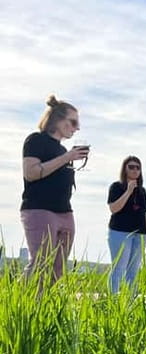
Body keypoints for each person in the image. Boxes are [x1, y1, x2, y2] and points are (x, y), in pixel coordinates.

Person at [20, 95, 89, 283]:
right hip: (39, 208)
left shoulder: (62, 150)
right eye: (73, 122)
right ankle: (19, 303)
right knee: (40, 263)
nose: (77, 128)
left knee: (58, 268)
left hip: (65, 211)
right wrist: (67, 158)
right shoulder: (36, 140)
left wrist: (69, 158)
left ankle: (46, 308)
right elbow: (31, 173)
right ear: (58, 120)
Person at [107, 155, 146, 293]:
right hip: (120, 232)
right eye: (131, 167)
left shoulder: (142, 191)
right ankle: (113, 301)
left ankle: (129, 302)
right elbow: (114, 208)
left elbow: (144, 213)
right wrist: (128, 191)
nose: (135, 170)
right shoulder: (116, 187)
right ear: (125, 169)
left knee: (133, 270)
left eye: (138, 168)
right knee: (119, 267)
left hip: (140, 234)